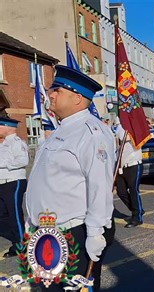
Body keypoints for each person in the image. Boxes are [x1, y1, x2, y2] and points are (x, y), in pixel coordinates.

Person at [25, 65, 115, 291]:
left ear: (77, 98)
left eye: (57, 90)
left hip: (73, 232)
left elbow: (99, 186)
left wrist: (95, 233)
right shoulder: (60, 132)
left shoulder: (91, 132)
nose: (50, 94)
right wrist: (30, 221)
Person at [0, 117, 29, 258]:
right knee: (2, 215)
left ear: (7, 127)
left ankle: (20, 244)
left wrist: (3, 163)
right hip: (2, 182)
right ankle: (19, 237)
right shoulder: (3, 143)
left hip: (13, 181)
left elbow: (23, 160)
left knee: (14, 214)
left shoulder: (17, 142)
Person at [114, 121, 144, 228]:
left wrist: (119, 125)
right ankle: (136, 209)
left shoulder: (134, 128)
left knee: (133, 190)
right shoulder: (121, 128)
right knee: (121, 191)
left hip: (133, 164)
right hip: (122, 166)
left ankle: (137, 217)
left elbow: (123, 135)